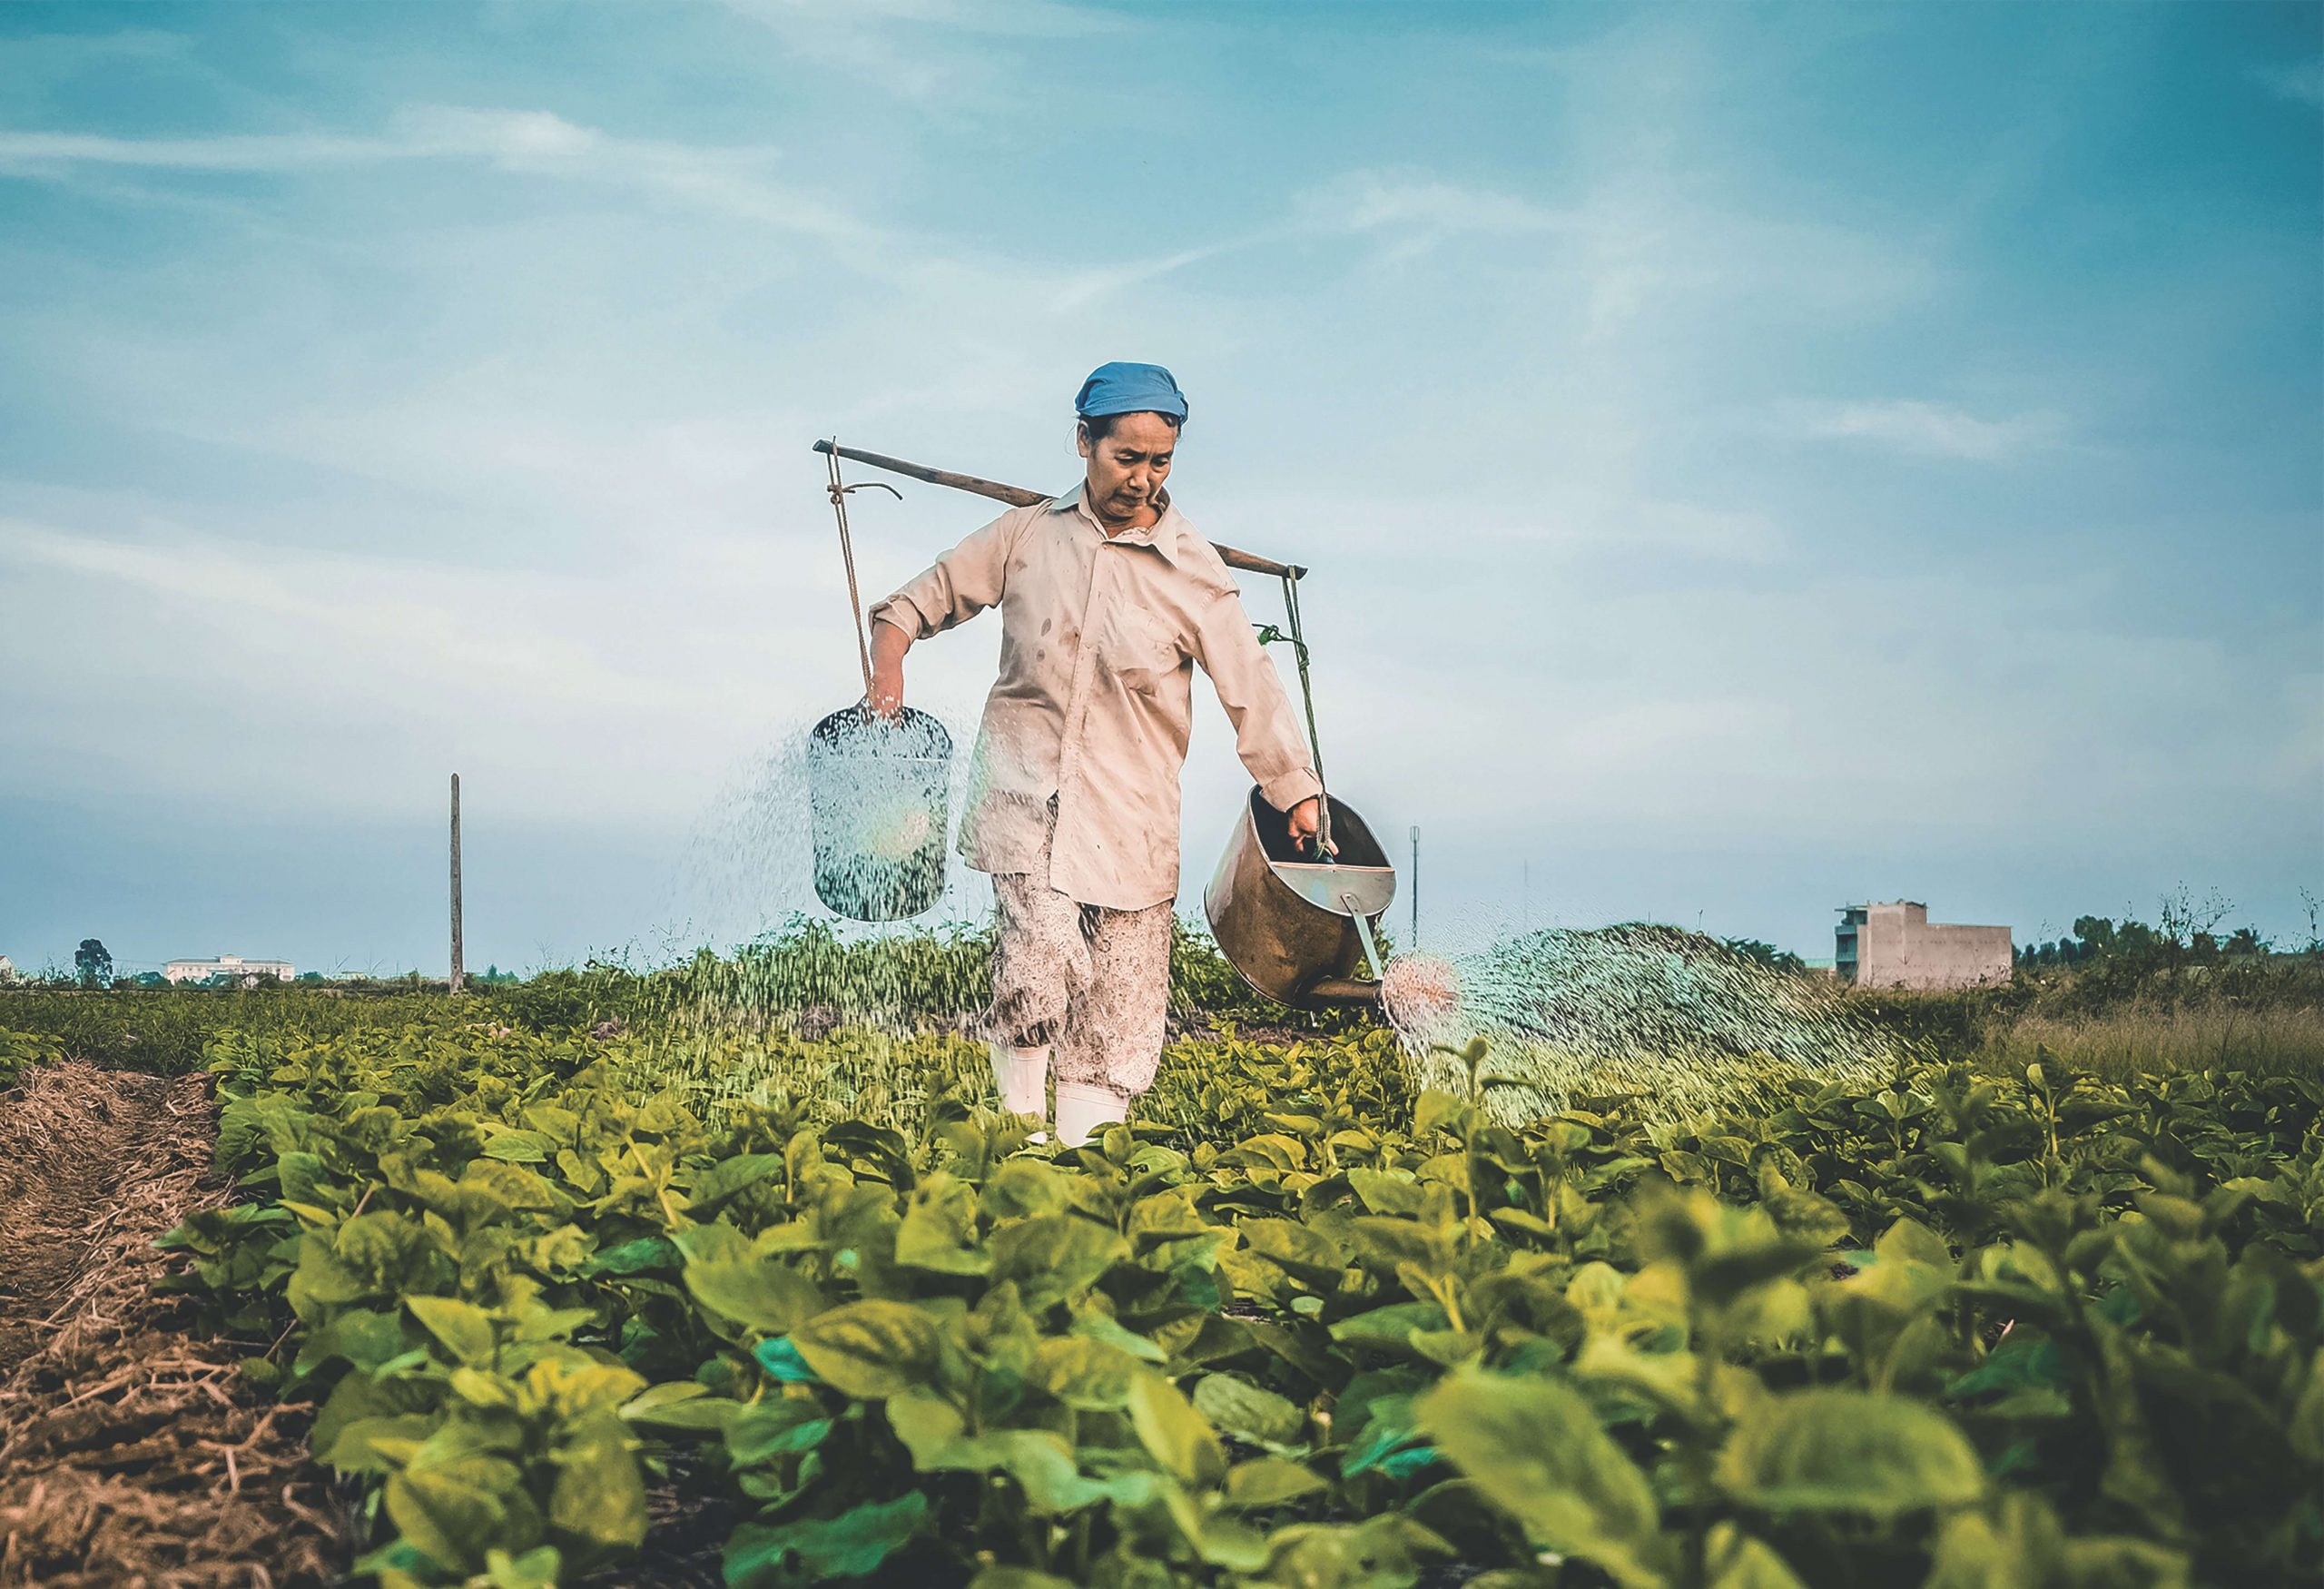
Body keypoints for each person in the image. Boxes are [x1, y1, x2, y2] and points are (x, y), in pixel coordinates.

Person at [866, 361, 1324, 1145]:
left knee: (1121, 1001)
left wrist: (1295, 788)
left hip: (1132, 813)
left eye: (1161, 462)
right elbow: (915, 603)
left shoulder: (1194, 572)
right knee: (1038, 959)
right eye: (1127, 458)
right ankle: (1014, 1146)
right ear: (1085, 441)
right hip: (1024, 792)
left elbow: (1252, 686)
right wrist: (888, 669)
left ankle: (1084, 1163)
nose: (1143, 479)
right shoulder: (1024, 537)